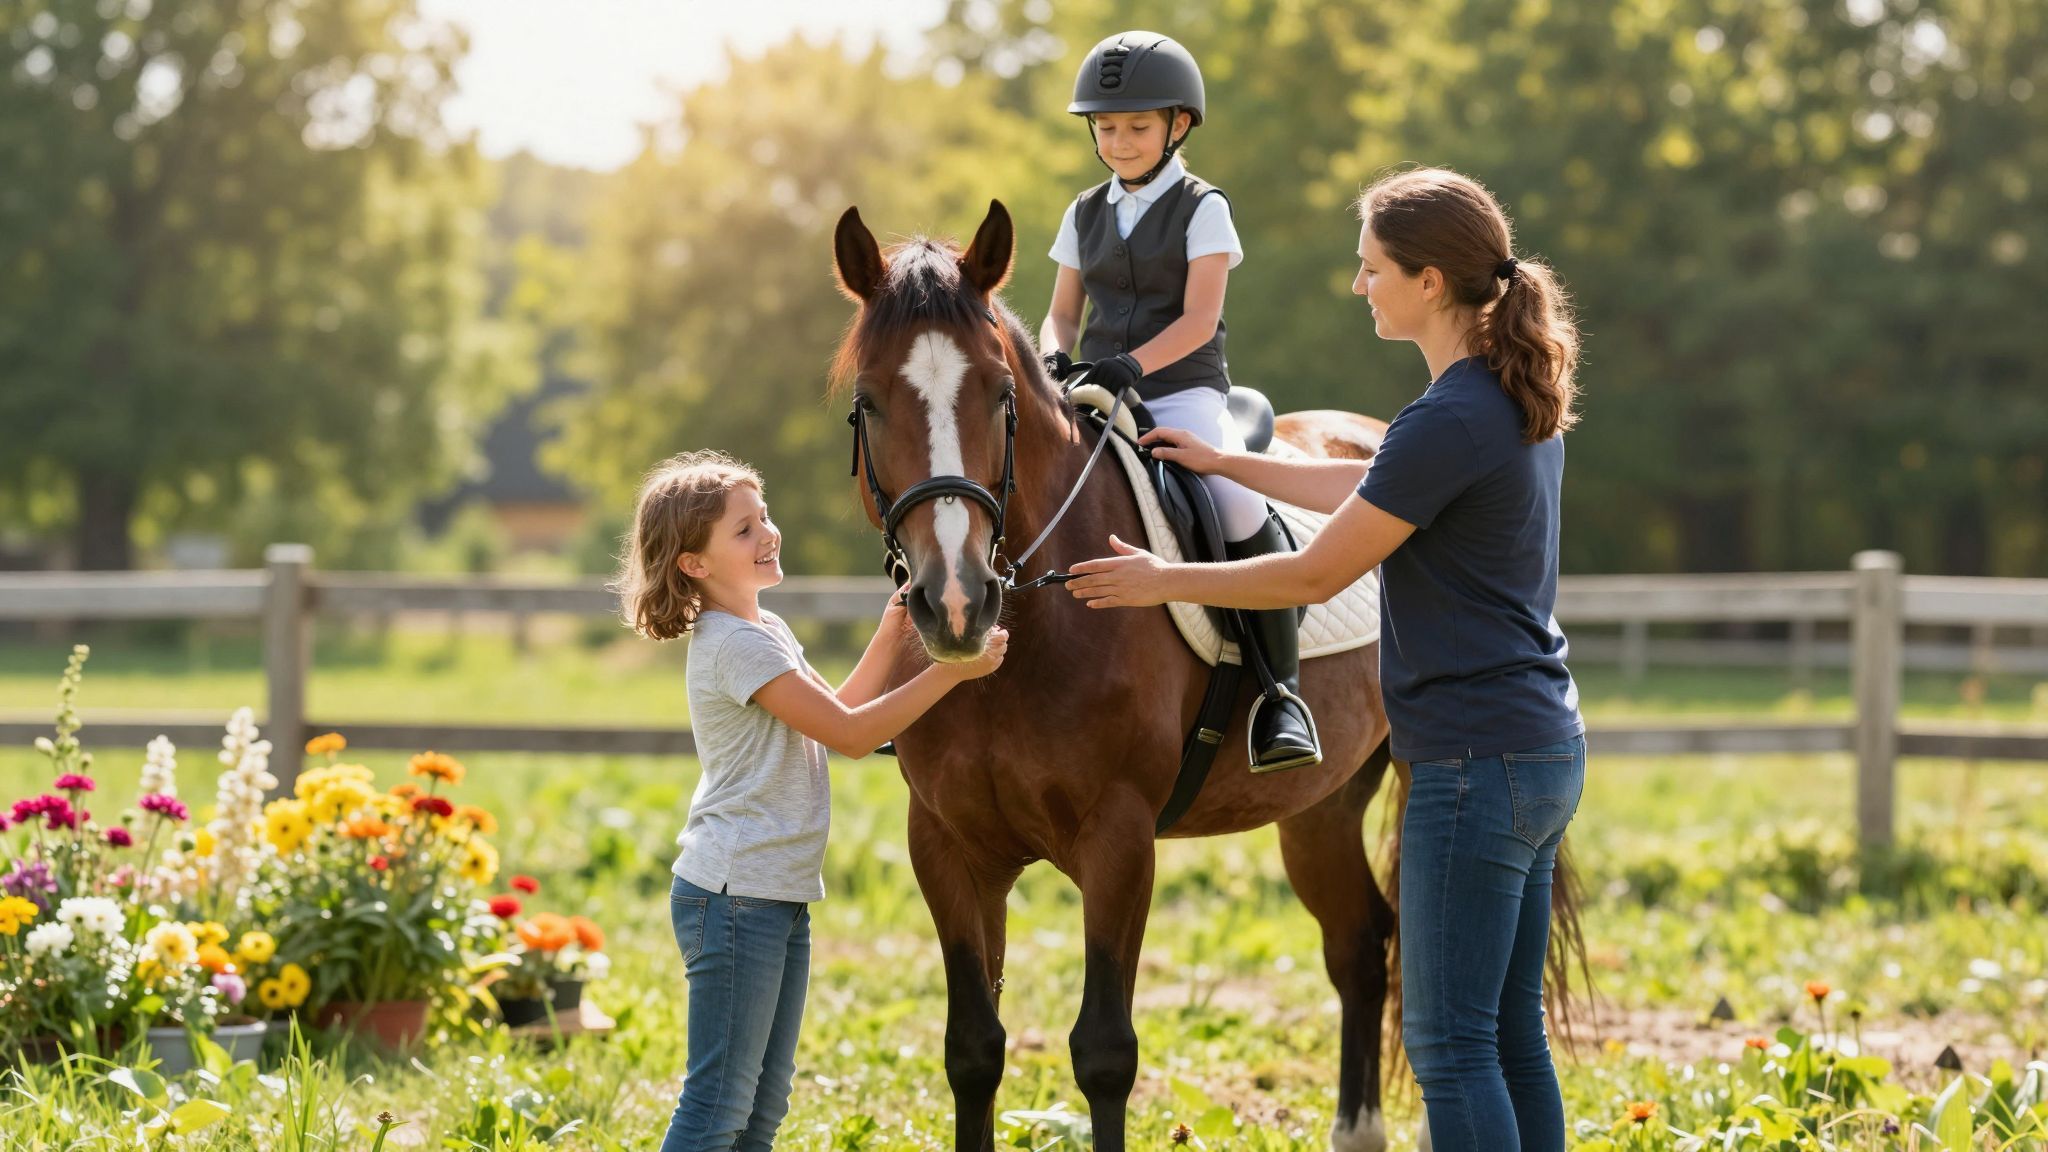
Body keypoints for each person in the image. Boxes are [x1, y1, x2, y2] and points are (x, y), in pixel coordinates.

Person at [1067, 167, 1587, 1152]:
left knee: (1448, 1045)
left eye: (1372, 269)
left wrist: (1159, 582)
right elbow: (1364, 476)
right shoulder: (1509, 396)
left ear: (1428, 283)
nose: (1359, 286)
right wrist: (1228, 462)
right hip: (1539, 746)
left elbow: (1309, 578)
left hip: (1470, 762)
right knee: (1509, 1034)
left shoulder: (1448, 415)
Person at [616, 450, 1007, 1152]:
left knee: (762, 1109)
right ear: (693, 564)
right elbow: (854, 735)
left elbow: (836, 711)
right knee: (716, 1109)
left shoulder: (765, 630)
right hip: (735, 897)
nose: (768, 532)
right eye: (743, 530)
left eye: (763, 517)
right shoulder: (734, 645)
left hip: (771, 891)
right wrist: (953, 674)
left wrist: (890, 637)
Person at [1039, 29, 1320, 773]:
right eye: (1106, 128)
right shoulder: (1083, 211)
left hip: (1183, 389)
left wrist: (1132, 362)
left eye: (1136, 126)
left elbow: (1199, 318)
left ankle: (1280, 697)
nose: (1119, 141)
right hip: (1095, 386)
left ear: (1178, 125)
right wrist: (1050, 356)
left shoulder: (1204, 207)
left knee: (1234, 505)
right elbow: (1064, 312)